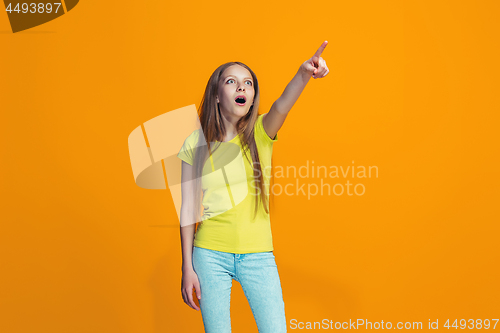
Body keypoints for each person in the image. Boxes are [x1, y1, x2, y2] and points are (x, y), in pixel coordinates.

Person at [177, 41, 330, 333]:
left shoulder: (262, 132)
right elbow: (187, 209)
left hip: (258, 255)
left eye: (248, 83)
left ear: (252, 95)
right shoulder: (194, 145)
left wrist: (303, 74)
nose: (241, 88)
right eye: (231, 82)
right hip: (209, 254)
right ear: (217, 95)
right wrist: (187, 267)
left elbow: (283, 104)